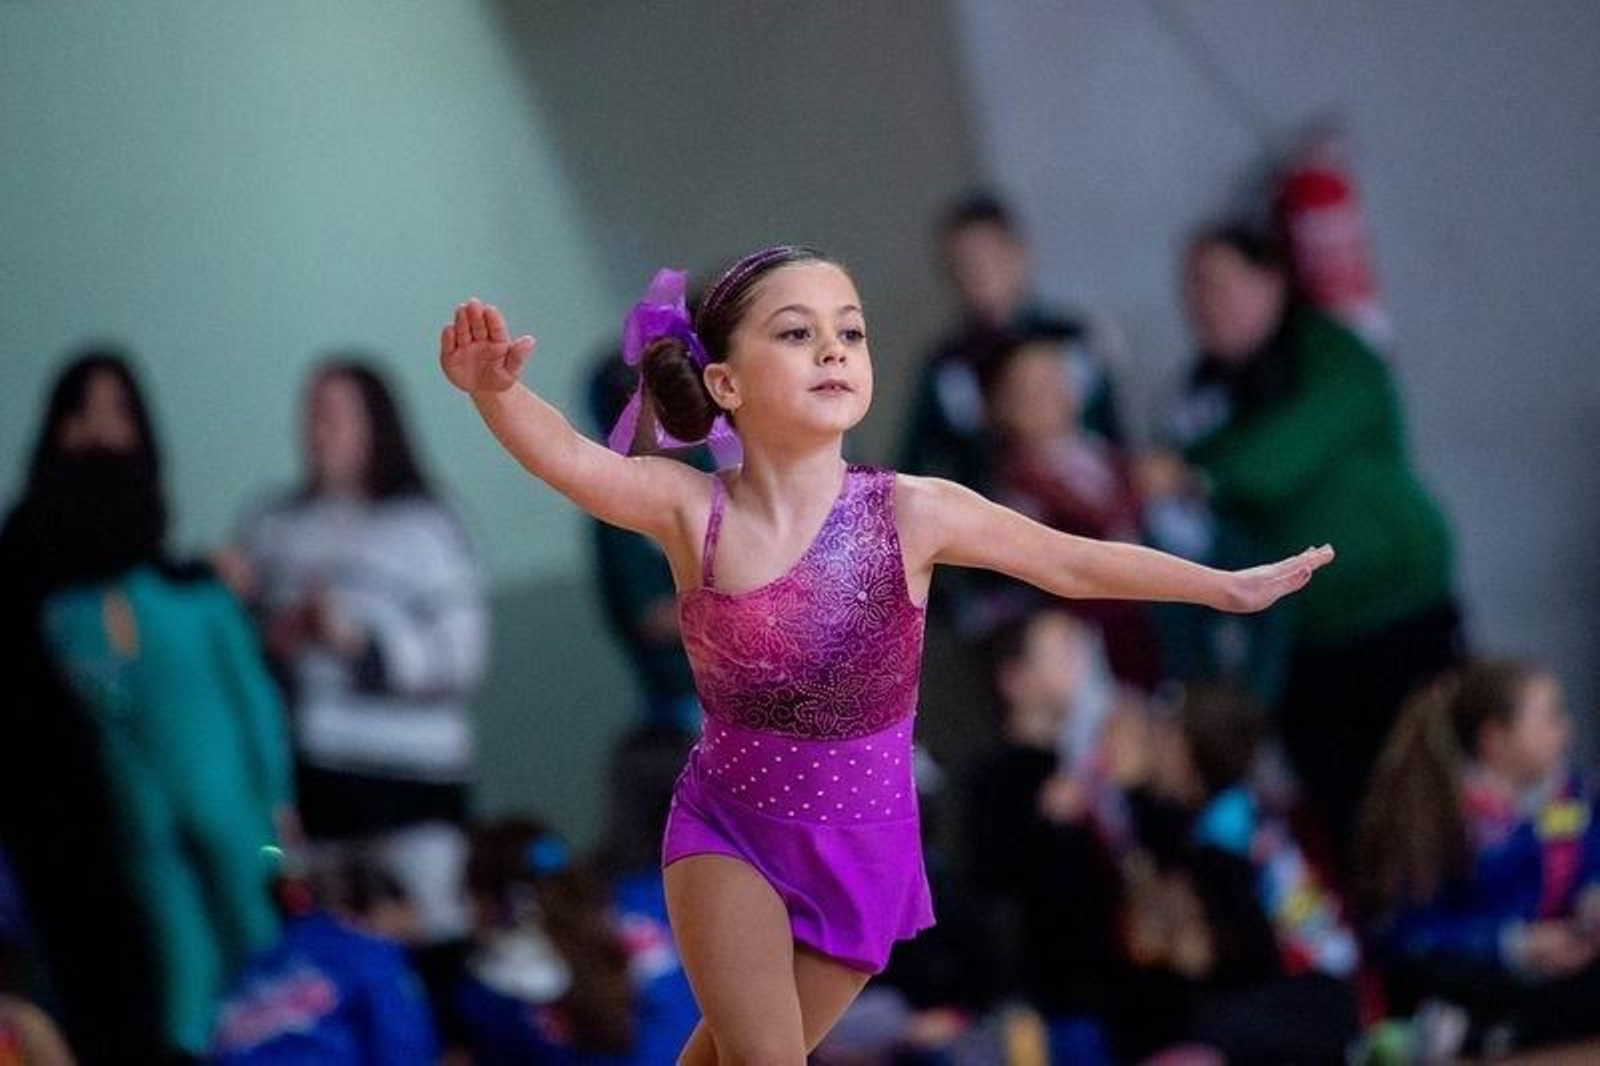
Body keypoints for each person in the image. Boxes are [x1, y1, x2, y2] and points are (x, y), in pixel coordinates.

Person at [438, 244, 1333, 1061]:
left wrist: (1223, 585)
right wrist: (495, 392)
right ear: (725, 384)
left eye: (850, 331)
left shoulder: (914, 510)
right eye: (796, 334)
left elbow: (1071, 560)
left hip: (863, 855)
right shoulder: (691, 510)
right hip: (730, 831)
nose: (833, 350)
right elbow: (571, 461)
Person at [1143, 222, 1461, 861]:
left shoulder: (1334, 352)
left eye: (1226, 283)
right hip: (1299, 643)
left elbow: (1283, 456)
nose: (1209, 303)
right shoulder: (1199, 396)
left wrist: (1196, 474)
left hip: (1398, 618)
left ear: (1273, 282)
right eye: (1196, 288)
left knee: (1436, 795)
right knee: (1346, 816)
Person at [36, 384, 293, 1056]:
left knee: (191, 963)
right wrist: (278, 799)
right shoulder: (197, 603)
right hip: (222, 807)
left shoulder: (67, 621)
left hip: (146, 814)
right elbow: (255, 706)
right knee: (254, 940)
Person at [229, 359, 489, 992]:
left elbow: (464, 652)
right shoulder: (271, 524)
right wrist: (271, 633)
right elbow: (241, 650)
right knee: (338, 949)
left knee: (435, 944)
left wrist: (359, 642)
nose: (321, 430)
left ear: (377, 422)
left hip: (411, 771)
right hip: (315, 770)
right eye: (313, 413)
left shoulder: (426, 521)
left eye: (337, 414)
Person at [0, 351, 166, 1063]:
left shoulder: (158, 549)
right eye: (84, 411)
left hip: (159, 787)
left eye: (117, 411)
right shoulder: (31, 534)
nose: (100, 430)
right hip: (60, 794)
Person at [1354, 660, 1600, 1056]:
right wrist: (1515, 945)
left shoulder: (1571, 793)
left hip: (1562, 958)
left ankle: (1497, 1034)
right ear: (1495, 739)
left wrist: (1591, 899)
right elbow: (1406, 935)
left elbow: (1590, 862)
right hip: (1483, 970)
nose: (1564, 729)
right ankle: (1481, 1033)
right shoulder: (1439, 815)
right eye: (1549, 718)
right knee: (1440, 978)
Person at [899, 193, 1124, 488]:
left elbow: (1115, 439)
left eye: (990, 257)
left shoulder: (1072, 340)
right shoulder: (947, 364)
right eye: (965, 262)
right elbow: (914, 464)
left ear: (1020, 254)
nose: (980, 274)